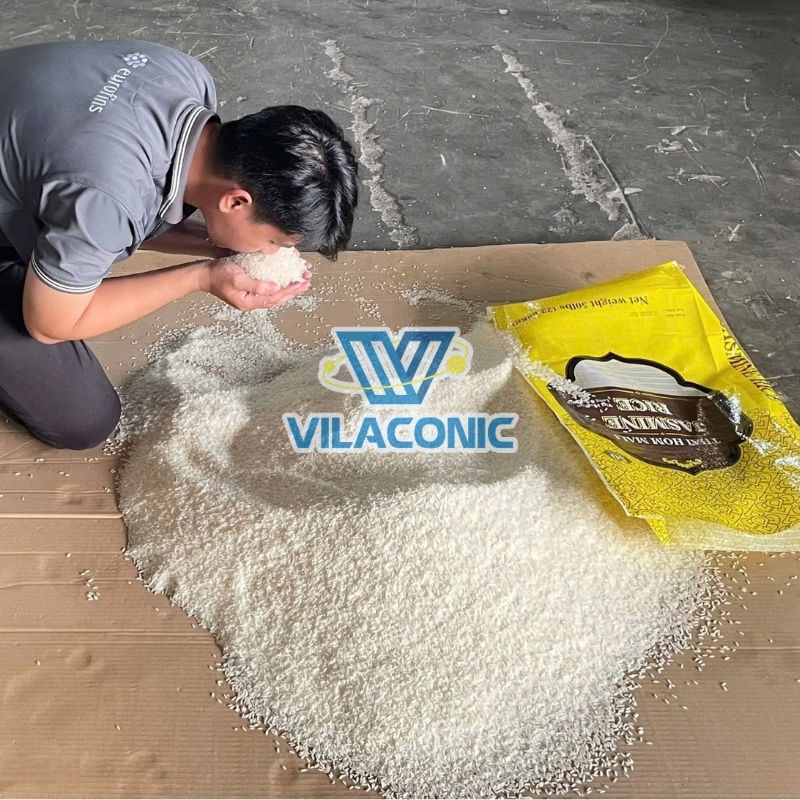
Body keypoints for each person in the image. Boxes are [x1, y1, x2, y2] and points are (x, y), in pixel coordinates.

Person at [0, 39, 359, 450]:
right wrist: (200, 277)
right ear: (236, 202)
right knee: (83, 419)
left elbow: (138, 207)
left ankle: (44, 261)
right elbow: (49, 324)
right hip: (67, 195)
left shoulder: (185, 76)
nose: (268, 251)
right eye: (273, 240)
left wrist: (216, 248)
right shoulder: (109, 196)